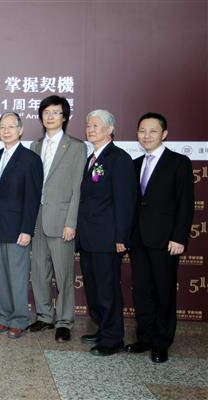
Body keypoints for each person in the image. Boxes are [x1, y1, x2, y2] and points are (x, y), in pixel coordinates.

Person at [125, 112, 194, 363]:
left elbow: (186, 204)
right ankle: (144, 337)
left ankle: (161, 342)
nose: (147, 135)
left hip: (166, 241)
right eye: (142, 131)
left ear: (164, 134)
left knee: (164, 291)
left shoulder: (178, 162)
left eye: (153, 131)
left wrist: (179, 237)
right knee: (142, 291)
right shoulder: (135, 164)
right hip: (138, 240)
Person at [77, 110, 136, 356]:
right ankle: (102, 328)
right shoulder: (92, 158)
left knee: (107, 290)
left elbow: (125, 201)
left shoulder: (118, 158)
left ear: (110, 129)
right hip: (89, 238)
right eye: (88, 125)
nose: (90, 129)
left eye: (96, 125)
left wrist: (122, 237)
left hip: (108, 239)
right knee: (93, 288)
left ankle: (113, 339)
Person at [28, 96, 87, 342]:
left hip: (61, 220)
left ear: (64, 117)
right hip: (37, 219)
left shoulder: (76, 147)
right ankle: (44, 316)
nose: (50, 116)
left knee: (63, 275)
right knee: (39, 272)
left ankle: (64, 321)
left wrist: (71, 222)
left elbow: (77, 188)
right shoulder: (35, 145)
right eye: (46, 112)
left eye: (55, 112)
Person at [0, 112, 43, 339]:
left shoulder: (30, 159)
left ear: (20, 130)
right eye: (2, 127)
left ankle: (20, 319)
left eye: (11, 126)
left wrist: (27, 229)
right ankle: (4, 316)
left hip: (17, 229)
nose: (6, 131)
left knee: (17, 277)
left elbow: (32, 198)